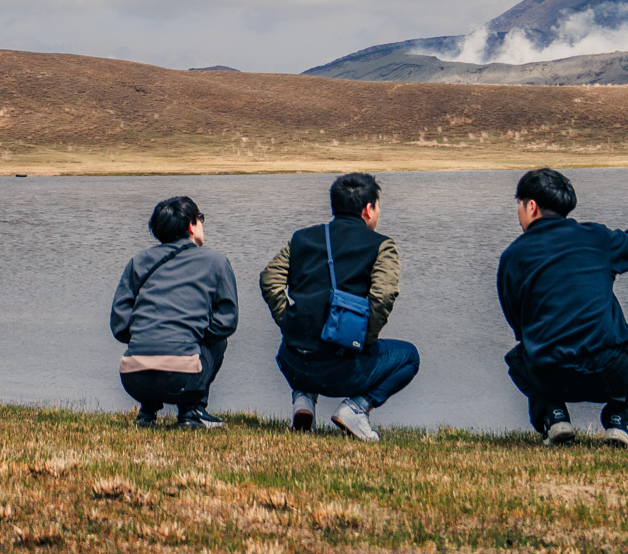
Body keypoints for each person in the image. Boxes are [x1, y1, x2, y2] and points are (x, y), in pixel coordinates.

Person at [497, 167, 628, 449]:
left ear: (531, 207)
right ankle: (620, 422)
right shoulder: (596, 237)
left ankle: (553, 417)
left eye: (519, 205)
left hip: (549, 374)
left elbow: (519, 325)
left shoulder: (512, 257)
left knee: (520, 356)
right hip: (610, 370)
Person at [260, 171, 419, 442]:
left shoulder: (301, 238)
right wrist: (364, 341)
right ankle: (356, 408)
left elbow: (269, 279)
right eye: (377, 206)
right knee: (410, 357)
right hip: (341, 369)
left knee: (305, 336)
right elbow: (383, 296)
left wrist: (287, 321)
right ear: (368, 209)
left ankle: (303, 398)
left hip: (293, 361)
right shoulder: (382, 245)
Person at [110, 194, 239, 429]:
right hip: (183, 378)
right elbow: (227, 321)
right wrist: (192, 336)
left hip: (133, 378)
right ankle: (192, 412)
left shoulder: (138, 261)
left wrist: (147, 335)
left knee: (151, 340)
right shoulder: (216, 261)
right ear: (191, 225)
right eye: (200, 218)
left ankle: (147, 412)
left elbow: (120, 324)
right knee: (218, 342)